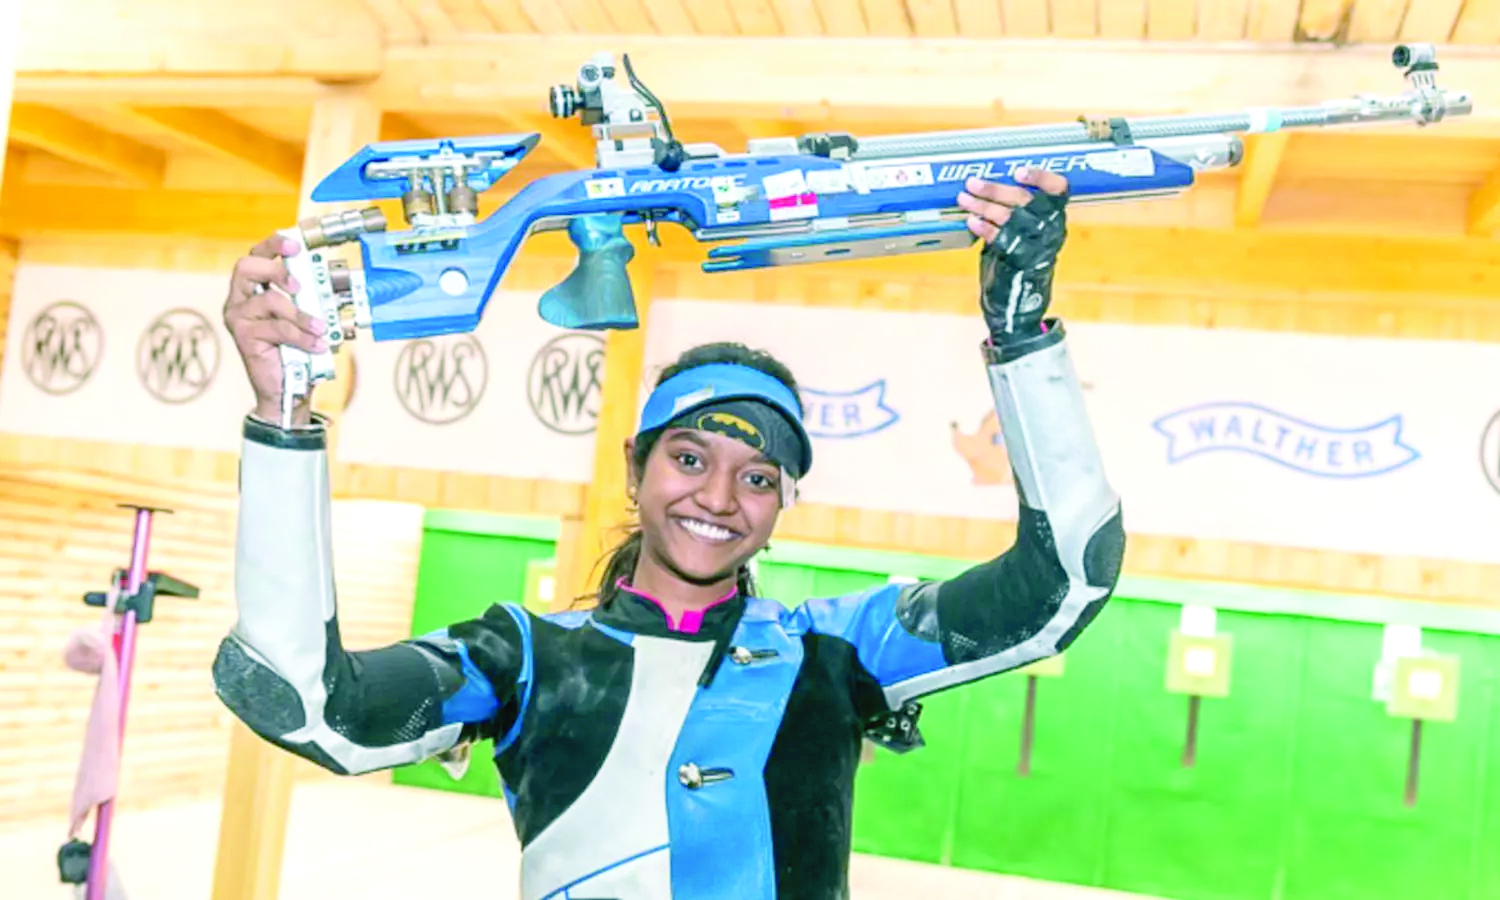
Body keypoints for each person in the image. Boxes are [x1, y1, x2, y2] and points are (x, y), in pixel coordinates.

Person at [212, 167, 1125, 900]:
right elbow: (306, 702)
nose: (719, 497)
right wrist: (284, 417)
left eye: (758, 477)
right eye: (690, 459)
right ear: (636, 467)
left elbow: (1064, 582)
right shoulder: (523, 658)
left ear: (784, 503)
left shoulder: (840, 649)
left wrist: (1021, 334)